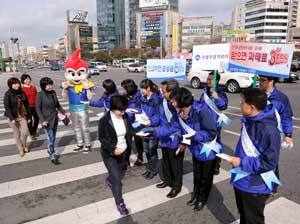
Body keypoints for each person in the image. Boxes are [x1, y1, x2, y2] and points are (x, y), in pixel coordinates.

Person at [228, 88, 281, 224]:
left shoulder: (269, 131)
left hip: (255, 185)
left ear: (251, 107)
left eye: (242, 102)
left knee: (253, 219)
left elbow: (269, 163)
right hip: (242, 178)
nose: (240, 105)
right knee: (244, 215)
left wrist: (241, 162)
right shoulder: (249, 120)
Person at [170, 87, 218, 211]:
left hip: (207, 150)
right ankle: (196, 195)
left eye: (174, 100)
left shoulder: (201, 110)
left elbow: (212, 132)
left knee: (206, 177)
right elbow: (181, 129)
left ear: (181, 100)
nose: (172, 103)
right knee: (197, 176)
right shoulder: (180, 112)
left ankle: (202, 199)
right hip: (195, 149)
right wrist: (182, 142)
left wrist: (195, 136)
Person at [143, 78, 183, 198]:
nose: (161, 93)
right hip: (164, 137)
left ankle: (176, 186)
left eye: (164, 91)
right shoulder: (163, 101)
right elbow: (159, 117)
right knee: (165, 161)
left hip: (175, 139)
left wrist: (155, 132)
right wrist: (150, 121)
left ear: (172, 91)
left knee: (175, 165)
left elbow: (175, 126)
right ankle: (167, 180)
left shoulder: (179, 104)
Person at [98, 95, 136, 216]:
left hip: (123, 152)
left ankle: (109, 180)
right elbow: (102, 139)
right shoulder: (104, 121)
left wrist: (140, 132)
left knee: (117, 174)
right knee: (117, 179)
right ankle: (120, 203)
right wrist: (113, 149)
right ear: (113, 108)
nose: (123, 112)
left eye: (124, 109)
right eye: (120, 110)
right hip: (110, 153)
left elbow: (129, 130)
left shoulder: (124, 116)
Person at [259, 75, 293, 194]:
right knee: (260, 157)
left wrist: (288, 135)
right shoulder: (257, 95)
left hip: (274, 135)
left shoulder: (281, 98)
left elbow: (286, 117)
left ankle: (273, 185)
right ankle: (262, 181)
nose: (259, 82)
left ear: (271, 81)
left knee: (272, 159)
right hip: (258, 133)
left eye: (262, 80)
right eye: (259, 79)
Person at [63, 48, 96, 154]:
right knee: (76, 128)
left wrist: (87, 88)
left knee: (85, 127)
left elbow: (90, 97)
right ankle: (79, 144)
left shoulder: (88, 84)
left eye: (79, 73)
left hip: (83, 107)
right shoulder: (69, 85)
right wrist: (64, 88)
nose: (76, 77)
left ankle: (88, 144)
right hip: (72, 107)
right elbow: (64, 97)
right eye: (73, 73)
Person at [199, 71, 229, 175]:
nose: (208, 81)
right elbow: (200, 104)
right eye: (207, 79)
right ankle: (206, 162)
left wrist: (217, 98)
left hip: (215, 123)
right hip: (203, 122)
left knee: (216, 144)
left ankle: (216, 165)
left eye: (210, 79)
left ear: (216, 81)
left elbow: (224, 105)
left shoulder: (220, 92)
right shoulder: (205, 91)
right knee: (205, 143)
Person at [36, 77, 67, 165]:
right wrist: (42, 120)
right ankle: (52, 155)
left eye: (51, 85)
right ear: (43, 86)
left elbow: (57, 104)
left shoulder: (53, 93)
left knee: (52, 137)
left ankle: (50, 149)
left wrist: (64, 112)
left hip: (54, 118)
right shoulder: (40, 95)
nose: (50, 87)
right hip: (46, 120)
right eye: (48, 85)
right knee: (51, 138)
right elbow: (38, 108)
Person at [139, 79, 161, 179]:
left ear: (148, 88)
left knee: (152, 151)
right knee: (146, 150)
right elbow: (141, 111)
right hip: (144, 127)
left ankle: (153, 170)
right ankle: (149, 168)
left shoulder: (156, 99)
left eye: (142, 88)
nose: (141, 90)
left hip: (153, 128)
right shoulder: (143, 98)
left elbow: (158, 115)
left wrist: (150, 122)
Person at [4, 77, 31, 157]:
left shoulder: (22, 93)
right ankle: (20, 148)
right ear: (10, 85)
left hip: (22, 115)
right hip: (13, 117)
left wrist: (29, 116)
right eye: (14, 84)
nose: (17, 85)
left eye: (18, 83)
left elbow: (27, 105)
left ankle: (24, 144)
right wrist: (12, 118)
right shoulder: (8, 94)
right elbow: (7, 107)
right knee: (16, 134)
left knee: (25, 132)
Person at [121, 79, 144, 166]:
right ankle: (126, 159)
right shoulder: (124, 96)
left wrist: (135, 111)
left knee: (138, 140)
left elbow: (143, 109)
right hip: (127, 121)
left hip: (136, 122)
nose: (123, 91)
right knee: (127, 141)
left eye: (124, 88)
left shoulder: (139, 96)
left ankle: (140, 158)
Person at [21, 74, 39, 140]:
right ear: (23, 81)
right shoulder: (22, 89)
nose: (27, 80)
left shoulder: (33, 87)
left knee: (37, 119)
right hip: (27, 107)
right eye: (25, 79)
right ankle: (32, 134)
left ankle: (34, 131)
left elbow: (36, 96)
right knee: (30, 120)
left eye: (28, 79)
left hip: (35, 106)